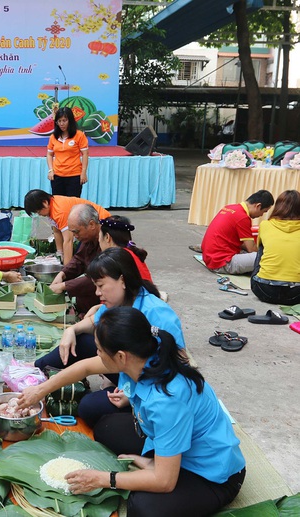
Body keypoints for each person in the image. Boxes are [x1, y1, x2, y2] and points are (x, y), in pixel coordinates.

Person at [33, 307, 246, 517]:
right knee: (105, 428)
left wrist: (103, 478)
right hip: (171, 443)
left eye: (99, 349)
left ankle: (160, 465)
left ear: (120, 356)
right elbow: (85, 367)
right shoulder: (145, 354)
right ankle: (157, 461)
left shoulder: (166, 402)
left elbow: (164, 482)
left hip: (210, 473)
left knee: (143, 508)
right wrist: (38, 391)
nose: (96, 354)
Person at [34, 247, 184, 434]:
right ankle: (34, 372)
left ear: (122, 280)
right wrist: (71, 329)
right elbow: (94, 323)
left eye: (100, 285)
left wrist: (133, 395)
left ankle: (141, 420)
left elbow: (178, 369)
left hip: (153, 384)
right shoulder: (118, 302)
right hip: (129, 371)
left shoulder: (160, 316)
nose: (97, 293)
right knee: (81, 340)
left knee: (92, 411)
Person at [24, 189, 110, 264]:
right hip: (87, 225)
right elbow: (57, 231)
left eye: (38, 211)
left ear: (45, 203)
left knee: (83, 256)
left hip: (102, 223)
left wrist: (65, 268)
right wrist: (60, 254)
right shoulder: (52, 205)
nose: (39, 215)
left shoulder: (59, 211)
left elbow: (68, 240)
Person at [201, 190, 274, 275]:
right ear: (258, 206)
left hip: (209, 257)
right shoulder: (243, 217)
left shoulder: (230, 207)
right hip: (221, 263)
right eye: (264, 211)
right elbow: (251, 249)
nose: (261, 215)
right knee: (269, 257)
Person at [49, 204, 103, 315]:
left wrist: (64, 286)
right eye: (72, 232)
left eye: (76, 232)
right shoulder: (88, 238)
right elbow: (79, 259)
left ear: (92, 224)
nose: (74, 236)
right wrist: (62, 274)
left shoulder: (107, 242)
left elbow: (98, 277)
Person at [251, 189, 300, 305]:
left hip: (263, 289)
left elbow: (259, 252)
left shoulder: (265, 225)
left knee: (263, 248)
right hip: (296, 294)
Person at [46, 107, 89, 198]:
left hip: (74, 175)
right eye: (59, 121)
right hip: (57, 176)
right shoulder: (53, 137)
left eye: (64, 120)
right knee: (58, 203)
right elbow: (49, 154)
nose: (62, 124)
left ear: (70, 121)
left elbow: (85, 154)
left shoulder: (79, 135)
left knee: (73, 204)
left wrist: (83, 172)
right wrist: (51, 170)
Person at [98, 215, 152, 282]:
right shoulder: (131, 253)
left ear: (107, 237)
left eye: (99, 237)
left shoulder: (114, 259)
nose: (99, 241)